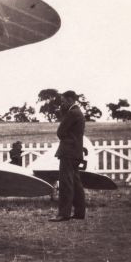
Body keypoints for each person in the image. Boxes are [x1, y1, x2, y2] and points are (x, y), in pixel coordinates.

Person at [49, 90, 86, 222]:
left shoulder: (71, 113)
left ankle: (63, 214)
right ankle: (79, 212)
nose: (62, 104)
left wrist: (66, 141)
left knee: (66, 183)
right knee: (76, 182)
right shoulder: (78, 112)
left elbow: (60, 132)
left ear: (70, 100)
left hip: (68, 152)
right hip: (76, 152)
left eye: (63, 101)